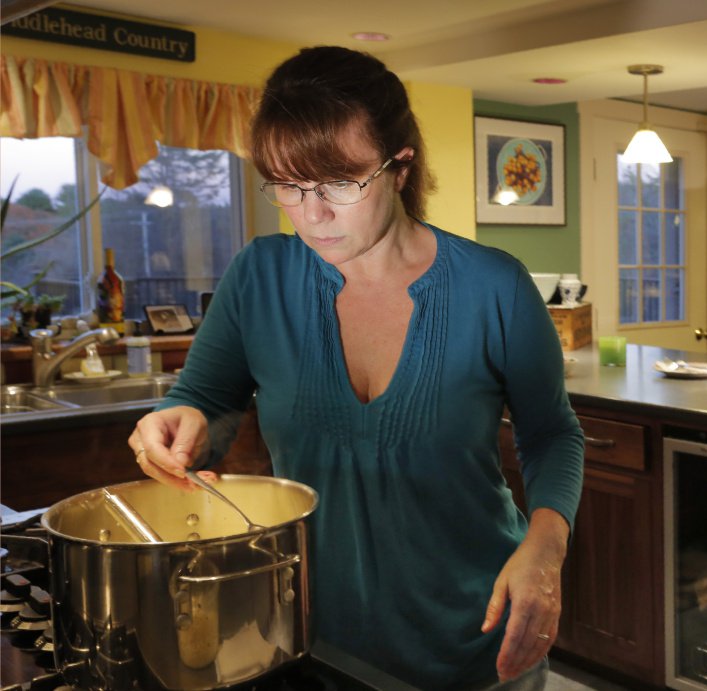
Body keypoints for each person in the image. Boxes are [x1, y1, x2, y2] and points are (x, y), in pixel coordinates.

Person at [128, 46, 584, 690]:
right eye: (289, 184)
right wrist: (180, 421)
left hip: (476, 635)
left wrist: (546, 548)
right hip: (308, 639)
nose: (312, 214)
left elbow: (551, 434)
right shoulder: (259, 277)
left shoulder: (496, 287)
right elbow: (208, 399)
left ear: (400, 167)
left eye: (340, 183)